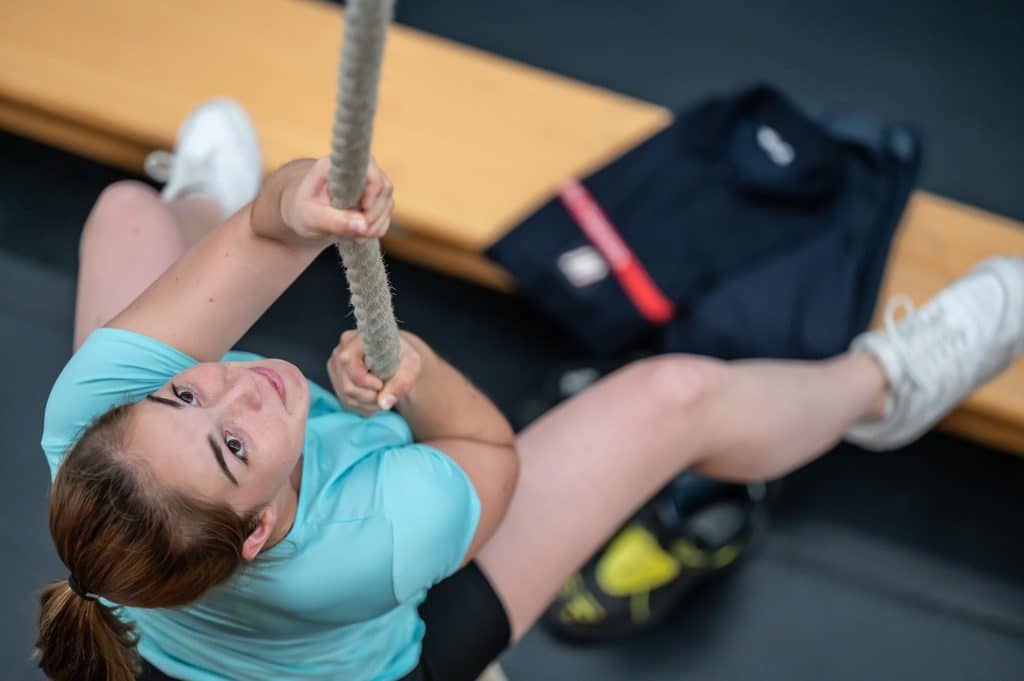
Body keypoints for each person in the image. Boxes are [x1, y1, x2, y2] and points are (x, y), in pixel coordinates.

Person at [35, 99, 1024, 681]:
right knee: (671, 398)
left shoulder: (90, 425)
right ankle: (882, 389)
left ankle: (190, 195)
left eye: (179, 397)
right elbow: (486, 456)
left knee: (126, 211)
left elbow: (263, 236)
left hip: (203, 595)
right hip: (393, 649)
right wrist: (419, 376)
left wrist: (292, 204)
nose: (235, 391)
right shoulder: (356, 552)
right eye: (231, 447)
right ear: (256, 533)